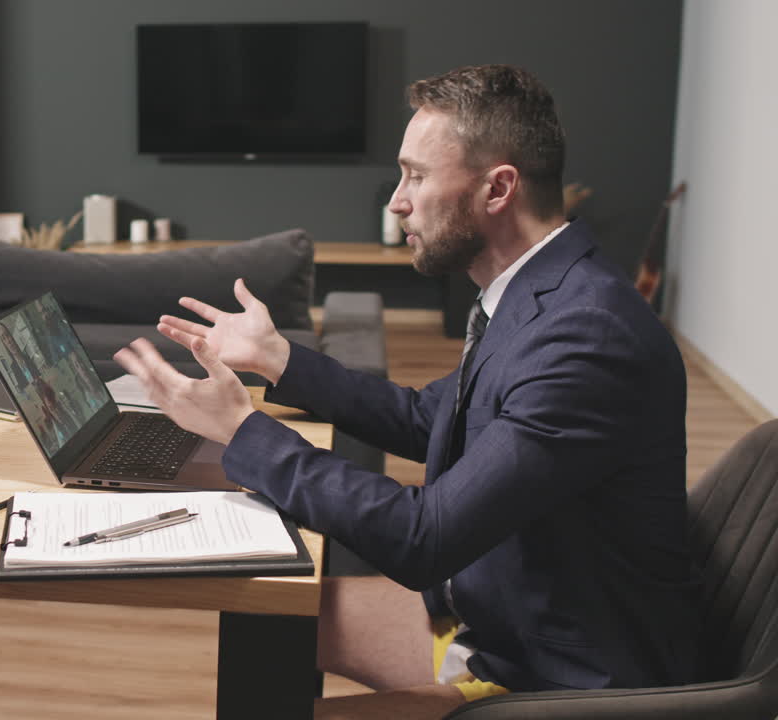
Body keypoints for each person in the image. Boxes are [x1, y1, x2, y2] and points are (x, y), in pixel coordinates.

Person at [114, 65, 699, 719]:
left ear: (497, 188)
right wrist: (279, 360)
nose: (397, 201)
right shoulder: (544, 293)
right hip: (498, 612)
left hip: (559, 676)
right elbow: (431, 418)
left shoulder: (588, 336)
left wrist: (242, 431)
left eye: (416, 175)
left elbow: (422, 539)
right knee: (265, 607)